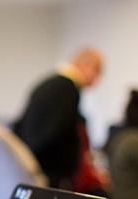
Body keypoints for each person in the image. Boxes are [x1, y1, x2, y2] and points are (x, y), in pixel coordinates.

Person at [13, 47, 104, 190]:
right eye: (97, 71)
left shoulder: (48, 84)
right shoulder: (67, 89)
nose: (97, 80)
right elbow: (56, 133)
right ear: (86, 64)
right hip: (50, 176)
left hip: (32, 167)